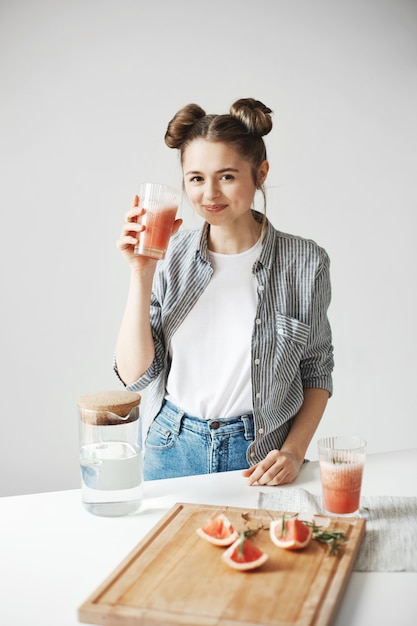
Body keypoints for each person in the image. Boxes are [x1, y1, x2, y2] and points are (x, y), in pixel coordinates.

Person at [115, 97, 334, 486]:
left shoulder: (305, 261)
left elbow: (316, 368)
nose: (210, 194)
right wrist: (141, 272)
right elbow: (135, 376)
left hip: (260, 454)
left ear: (260, 173)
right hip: (172, 447)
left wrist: (294, 451)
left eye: (227, 176)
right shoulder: (169, 255)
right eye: (196, 178)